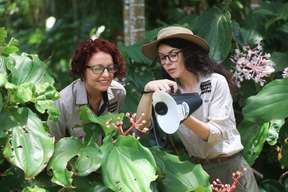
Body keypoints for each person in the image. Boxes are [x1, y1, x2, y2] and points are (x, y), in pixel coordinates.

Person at [136, 26, 259, 192]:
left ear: (188, 53)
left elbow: (215, 134)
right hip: (196, 172)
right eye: (162, 58)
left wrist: (181, 115)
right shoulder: (168, 91)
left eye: (173, 55)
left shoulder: (215, 82)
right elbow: (139, 129)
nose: (167, 62)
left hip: (230, 167)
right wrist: (147, 91)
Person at [48, 38, 126, 141]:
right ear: (82, 70)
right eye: (97, 69)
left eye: (110, 68)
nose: (106, 75)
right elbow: (52, 146)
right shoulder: (62, 103)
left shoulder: (118, 93)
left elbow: (116, 134)